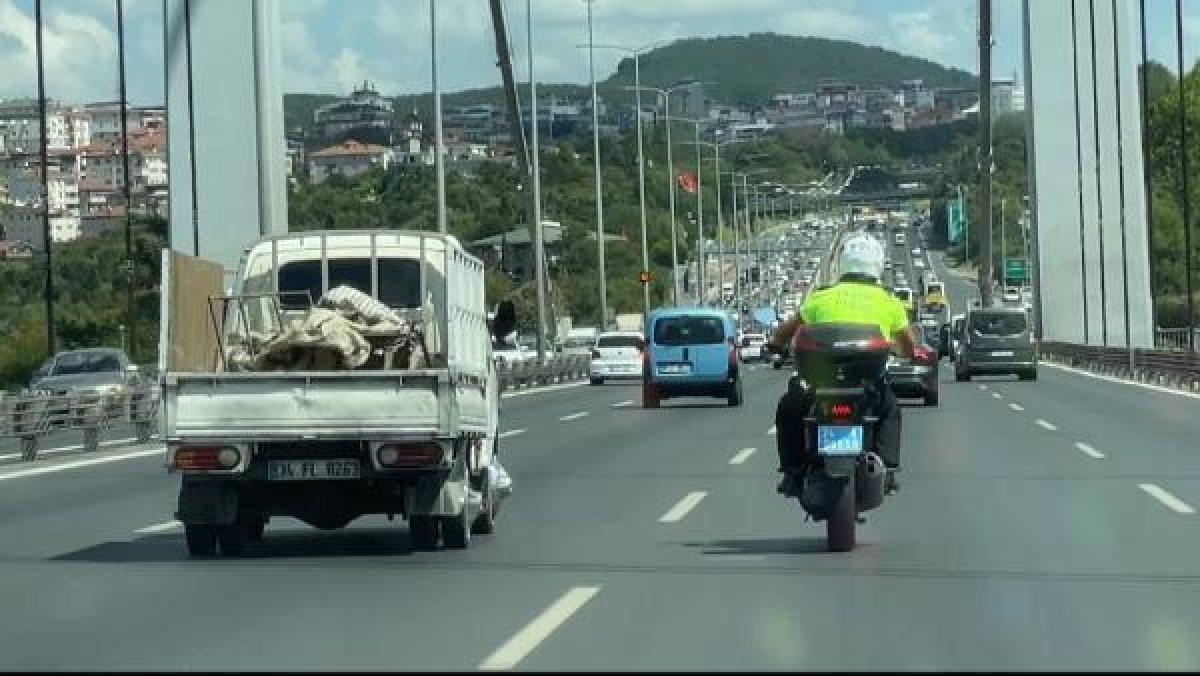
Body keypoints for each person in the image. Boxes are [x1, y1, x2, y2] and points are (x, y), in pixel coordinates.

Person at [768, 232, 933, 496]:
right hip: (866, 386)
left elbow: (787, 331)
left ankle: (791, 472)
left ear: (843, 264)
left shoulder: (820, 298)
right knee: (890, 410)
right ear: (877, 266)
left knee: (788, 408)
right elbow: (909, 345)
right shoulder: (889, 303)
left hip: (819, 385)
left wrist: (774, 344)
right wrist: (911, 353)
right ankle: (888, 471)